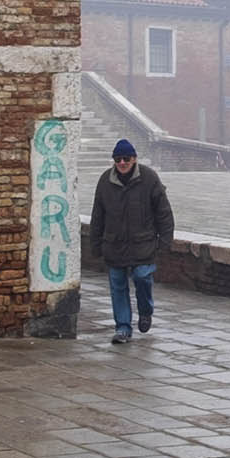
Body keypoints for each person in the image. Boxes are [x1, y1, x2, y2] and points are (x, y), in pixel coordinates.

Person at [88, 138, 174, 344]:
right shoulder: (105, 181)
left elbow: (164, 214)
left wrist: (165, 242)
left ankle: (145, 311)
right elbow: (97, 216)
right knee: (118, 286)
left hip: (143, 244)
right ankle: (123, 327)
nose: (122, 163)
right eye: (118, 159)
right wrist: (95, 244)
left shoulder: (149, 178)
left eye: (126, 158)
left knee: (143, 277)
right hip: (114, 244)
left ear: (134, 159)